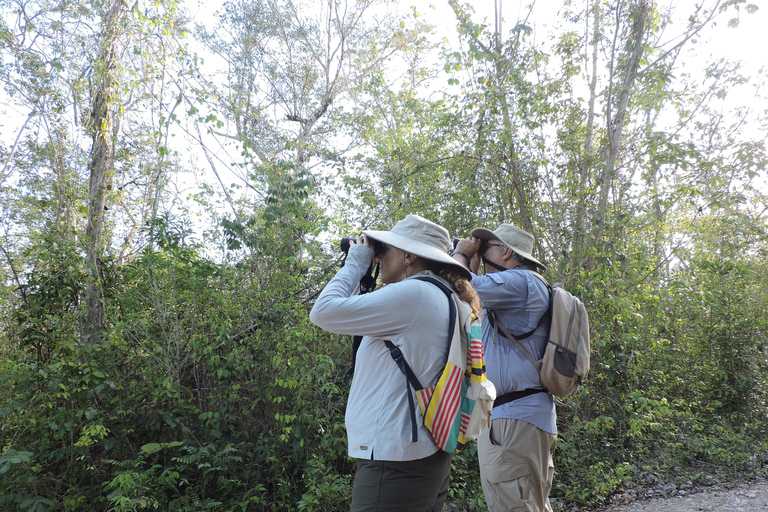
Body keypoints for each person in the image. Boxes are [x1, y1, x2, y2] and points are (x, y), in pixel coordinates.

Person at [310, 214, 481, 512]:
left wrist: (356, 260)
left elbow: (323, 312)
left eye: (385, 250)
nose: (379, 257)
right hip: (424, 456)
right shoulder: (443, 294)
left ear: (409, 255)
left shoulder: (415, 295)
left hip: (396, 464)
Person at [451, 223, 556, 512]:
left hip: (514, 422)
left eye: (486, 247)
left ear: (507, 252)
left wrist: (458, 253)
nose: (480, 252)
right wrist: (471, 265)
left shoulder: (521, 281)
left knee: (513, 506)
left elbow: (458, 286)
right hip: (520, 420)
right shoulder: (516, 289)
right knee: (530, 504)